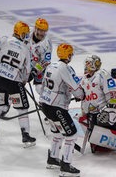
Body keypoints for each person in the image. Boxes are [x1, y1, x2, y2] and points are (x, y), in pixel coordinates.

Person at [0, 21, 36, 147]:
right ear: (21, 33)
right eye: (25, 34)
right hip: (13, 82)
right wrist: (23, 81)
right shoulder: (25, 49)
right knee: (22, 108)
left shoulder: (3, 40)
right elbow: (27, 70)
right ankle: (25, 135)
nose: (27, 36)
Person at [39, 43, 84, 176]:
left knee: (57, 133)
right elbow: (76, 89)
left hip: (45, 105)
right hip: (57, 107)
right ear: (69, 55)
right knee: (72, 134)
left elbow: (42, 86)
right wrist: (81, 96)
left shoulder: (50, 66)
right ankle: (66, 165)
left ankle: (53, 158)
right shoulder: (66, 68)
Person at [80, 55, 116, 152]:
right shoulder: (83, 79)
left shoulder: (102, 74)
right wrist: (84, 111)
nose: (96, 65)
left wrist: (112, 110)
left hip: (110, 110)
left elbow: (113, 93)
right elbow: (84, 98)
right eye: (94, 63)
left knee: (107, 141)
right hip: (95, 112)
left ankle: (115, 129)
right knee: (95, 143)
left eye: (97, 63)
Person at [28, 18, 52, 95]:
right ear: (36, 28)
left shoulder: (46, 44)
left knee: (39, 88)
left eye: (44, 31)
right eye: (41, 30)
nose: (42, 33)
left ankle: (44, 101)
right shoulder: (27, 33)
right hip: (25, 62)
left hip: (38, 66)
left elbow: (45, 62)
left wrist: (34, 71)